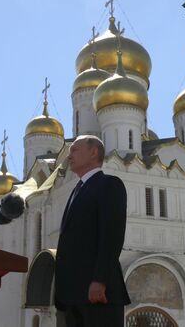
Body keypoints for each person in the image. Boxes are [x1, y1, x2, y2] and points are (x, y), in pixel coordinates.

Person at [55, 135, 131, 327]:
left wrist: (100, 280)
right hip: (72, 297)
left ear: (93, 152)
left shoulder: (108, 184)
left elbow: (111, 235)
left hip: (98, 294)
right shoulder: (76, 190)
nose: (69, 155)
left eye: (74, 150)